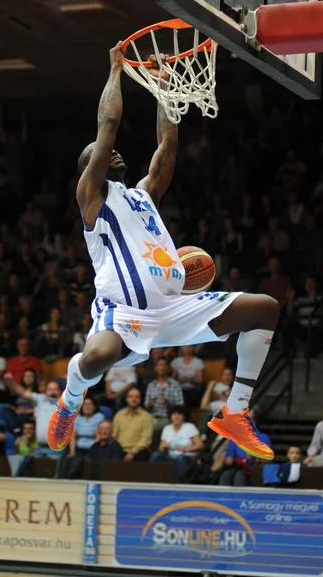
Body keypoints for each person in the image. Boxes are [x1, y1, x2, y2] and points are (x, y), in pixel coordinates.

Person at [47, 43, 279, 464]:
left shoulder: (143, 195)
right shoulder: (91, 198)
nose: (109, 153)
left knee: (265, 308)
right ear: (89, 168)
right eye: (97, 156)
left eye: (108, 154)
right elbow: (109, 124)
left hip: (174, 309)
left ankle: (236, 411)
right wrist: (116, 71)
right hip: (125, 311)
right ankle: (69, 400)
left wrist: (165, 91)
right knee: (97, 357)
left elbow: (167, 147)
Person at [5, 374, 64, 458]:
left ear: (60, 391)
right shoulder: (41, 399)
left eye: (55, 389)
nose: (52, 392)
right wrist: (12, 382)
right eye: (50, 389)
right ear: (46, 391)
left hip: (56, 449)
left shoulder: (64, 403)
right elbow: (23, 393)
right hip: (40, 447)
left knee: (54, 470)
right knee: (34, 469)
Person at [151, 405, 203, 481]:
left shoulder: (189, 427)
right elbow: (160, 449)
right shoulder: (167, 428)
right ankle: (153, 481)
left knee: (180, 458)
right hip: (171, 458)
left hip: (187, 458)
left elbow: (200, 445)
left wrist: (185, 449)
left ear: (184, 416)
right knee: (156, 455)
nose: (176, 417)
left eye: (179, 414)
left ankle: (178, 484)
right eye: (174, 414)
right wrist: (164, 446)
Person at [144, 357, 184, 433]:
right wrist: (150, 405)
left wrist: (167, 402)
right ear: (155, 368)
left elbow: (181, 407)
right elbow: (146, 408)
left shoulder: (175, 385)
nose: (162, 367)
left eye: (164, 365)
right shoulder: (151, 385)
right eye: (159, 365)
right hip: (152, 417)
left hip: (168, 418)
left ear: (168, 368)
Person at [112, 387, 153, 461]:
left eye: (137, 397)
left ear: (140, 400)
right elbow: (114, 435)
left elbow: (146, 439)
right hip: (120, 450)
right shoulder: (119, 415)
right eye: (131, 396)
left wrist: (133, 452)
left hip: (139, 451)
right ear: (126, 399)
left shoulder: (146, 417)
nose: (134, 399)